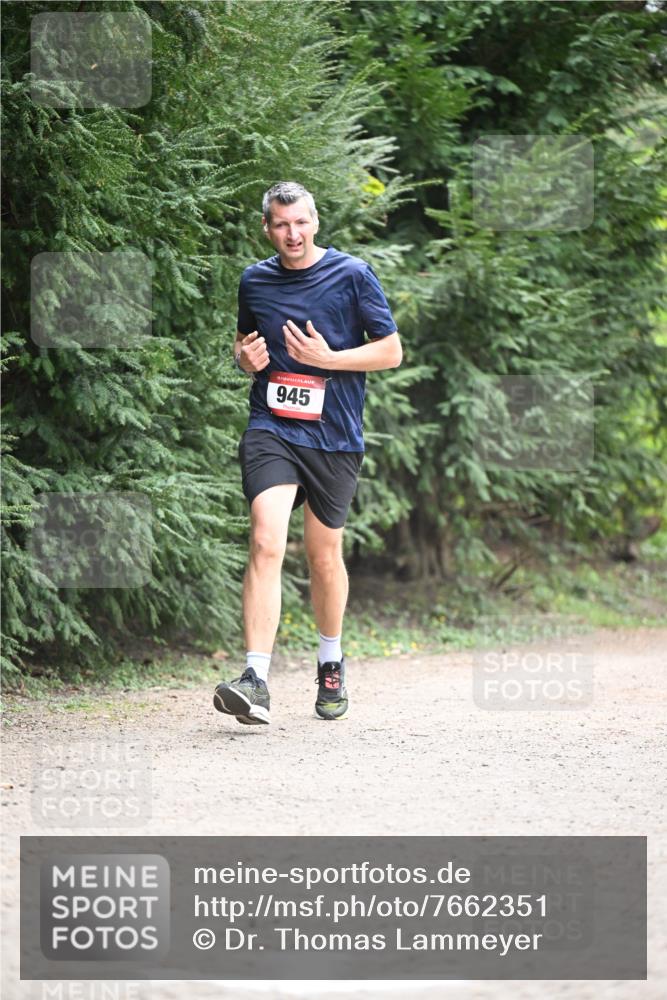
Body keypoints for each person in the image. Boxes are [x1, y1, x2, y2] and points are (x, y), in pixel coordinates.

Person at [213, 180, 402, 725]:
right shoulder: (254, 280)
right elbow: (244, 342)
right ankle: (255, 679)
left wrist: (330, 359)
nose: (292, 234)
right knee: (266, 539)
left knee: (322, 556)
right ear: (267, 228)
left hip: (335, 436)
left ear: (315, 222)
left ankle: (330, 659)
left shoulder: (353, 274)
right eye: (281, 224)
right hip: (272, 427)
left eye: (300, 222)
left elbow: (391, 351)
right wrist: (244, 361)